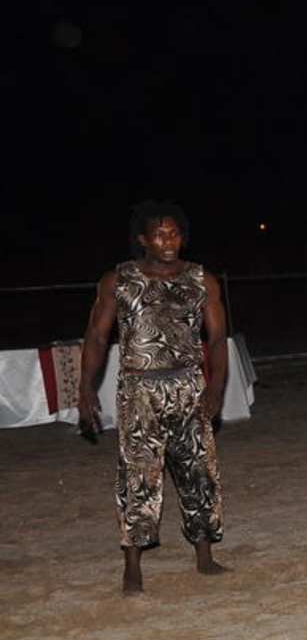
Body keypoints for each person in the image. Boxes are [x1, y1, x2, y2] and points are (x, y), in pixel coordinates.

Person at [77, 200, 230, 595]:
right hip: (139, 389)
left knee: (199, 471)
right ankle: (132, 566)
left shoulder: (202, 280)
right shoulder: (119, 280)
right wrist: (85, 387)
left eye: (175, 234)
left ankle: (204, 555)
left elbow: (217, 340)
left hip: (188, 386)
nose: (169, 241)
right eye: (160, 235)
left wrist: (215, 388)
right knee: (139, 476)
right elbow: (97, 336)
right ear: (143, 239)